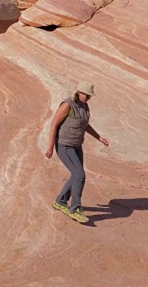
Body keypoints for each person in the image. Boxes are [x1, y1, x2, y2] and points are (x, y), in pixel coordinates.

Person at [45, 81, 109, 223]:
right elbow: (54, 124)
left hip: (76, 146)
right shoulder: (67, 105)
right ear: (78, 92)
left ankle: (60, 201)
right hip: (64, 146)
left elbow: (85, 125)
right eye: (85, 95)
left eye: (89, 96)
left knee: (76, 175)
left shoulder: (84, 106)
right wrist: (50, 147)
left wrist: (99, 137)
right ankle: (75, 209)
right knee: (80, 175)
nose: (87, 97)